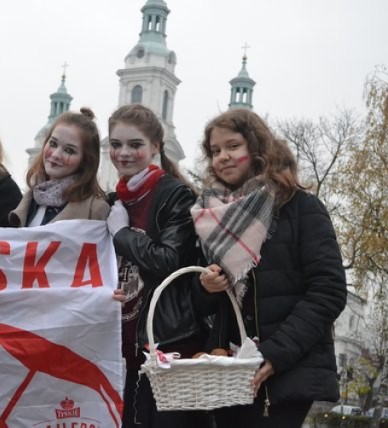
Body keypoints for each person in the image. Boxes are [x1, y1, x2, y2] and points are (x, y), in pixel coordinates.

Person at [193, 109, 347, 428]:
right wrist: (206, 288)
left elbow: (328, 291)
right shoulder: (209, 216)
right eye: (215, 150)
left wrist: (273, 356)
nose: (222, 157)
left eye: (233, 146)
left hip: (283, 373)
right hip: (228, 374)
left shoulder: (300, 208)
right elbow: (206, 306)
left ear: (257, 146)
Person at [105, 104, 208, 427]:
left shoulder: (175, 195)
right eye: (115, 144)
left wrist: (121, 234)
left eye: (134, 145)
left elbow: (168, 261)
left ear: (155, 148)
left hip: (168, 348)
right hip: (121, 351)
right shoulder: (114, 201)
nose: (123, 153)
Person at [9, 107, 108, 227]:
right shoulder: (29, 199)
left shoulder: (96, 210)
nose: (55, 155)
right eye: (53, 144)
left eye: (69, 150)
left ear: (86, 160)